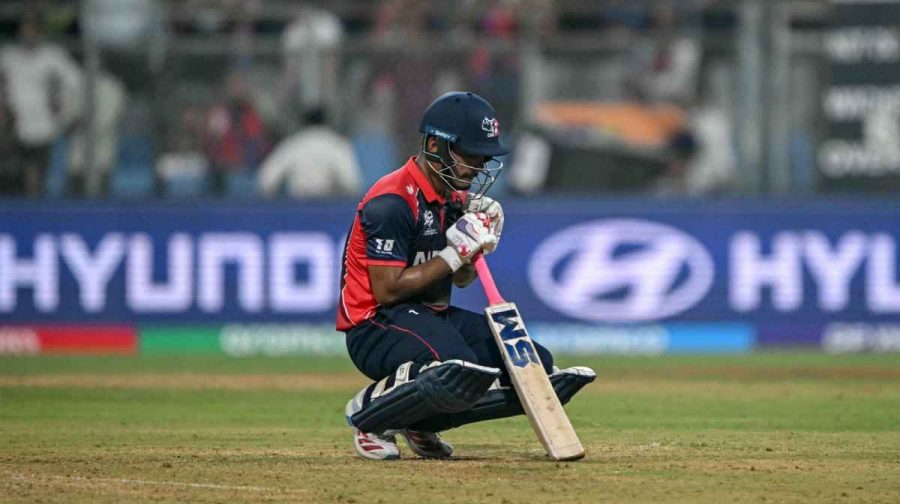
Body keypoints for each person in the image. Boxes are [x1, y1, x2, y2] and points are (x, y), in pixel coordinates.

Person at [337, 91, 596, 460]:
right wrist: (454, 251)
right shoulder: (392, 201)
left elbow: (460, 280)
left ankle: (421, 422)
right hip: (374, 326)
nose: (478, 167)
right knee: (456, 365)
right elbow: (388, 291)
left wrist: (477, 246)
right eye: (470, 155)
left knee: (534, 363)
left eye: (483, 156)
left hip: (431, 317)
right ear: (433, 146)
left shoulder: (452, 198)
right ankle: (370, 417)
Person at [0, 12, 82, 197]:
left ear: (39, 33)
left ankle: (44, 206)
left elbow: (76, 83)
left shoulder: (53, 56)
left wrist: (63, 104)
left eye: (32, 31)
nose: (28, 36)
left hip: (48, 126)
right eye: (24, 31)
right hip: (14, 125)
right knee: (20, 176)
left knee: (45, 177)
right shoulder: (7, 56)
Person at [257, 108, 362, 198]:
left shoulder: (293, 144)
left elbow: (266, 180)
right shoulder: (336, 144)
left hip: (297, 208)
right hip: (329, 209)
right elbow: (352, 183)